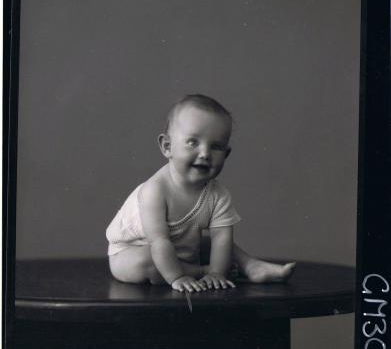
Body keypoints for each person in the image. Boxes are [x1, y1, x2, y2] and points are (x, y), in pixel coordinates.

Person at [106, 94, 295, 293]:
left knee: (216, 244)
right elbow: (159, 241)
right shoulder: (154, 191)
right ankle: (199, 271)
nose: (205, 153)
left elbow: (222, 237)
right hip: (132, 252)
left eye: (216, 147)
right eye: (192, 142)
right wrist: (178, 277)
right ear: (167, 147)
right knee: (147, 260)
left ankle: (251, 266)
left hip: (181, 248)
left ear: (226, 154)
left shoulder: (218, 194)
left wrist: (217, 273)